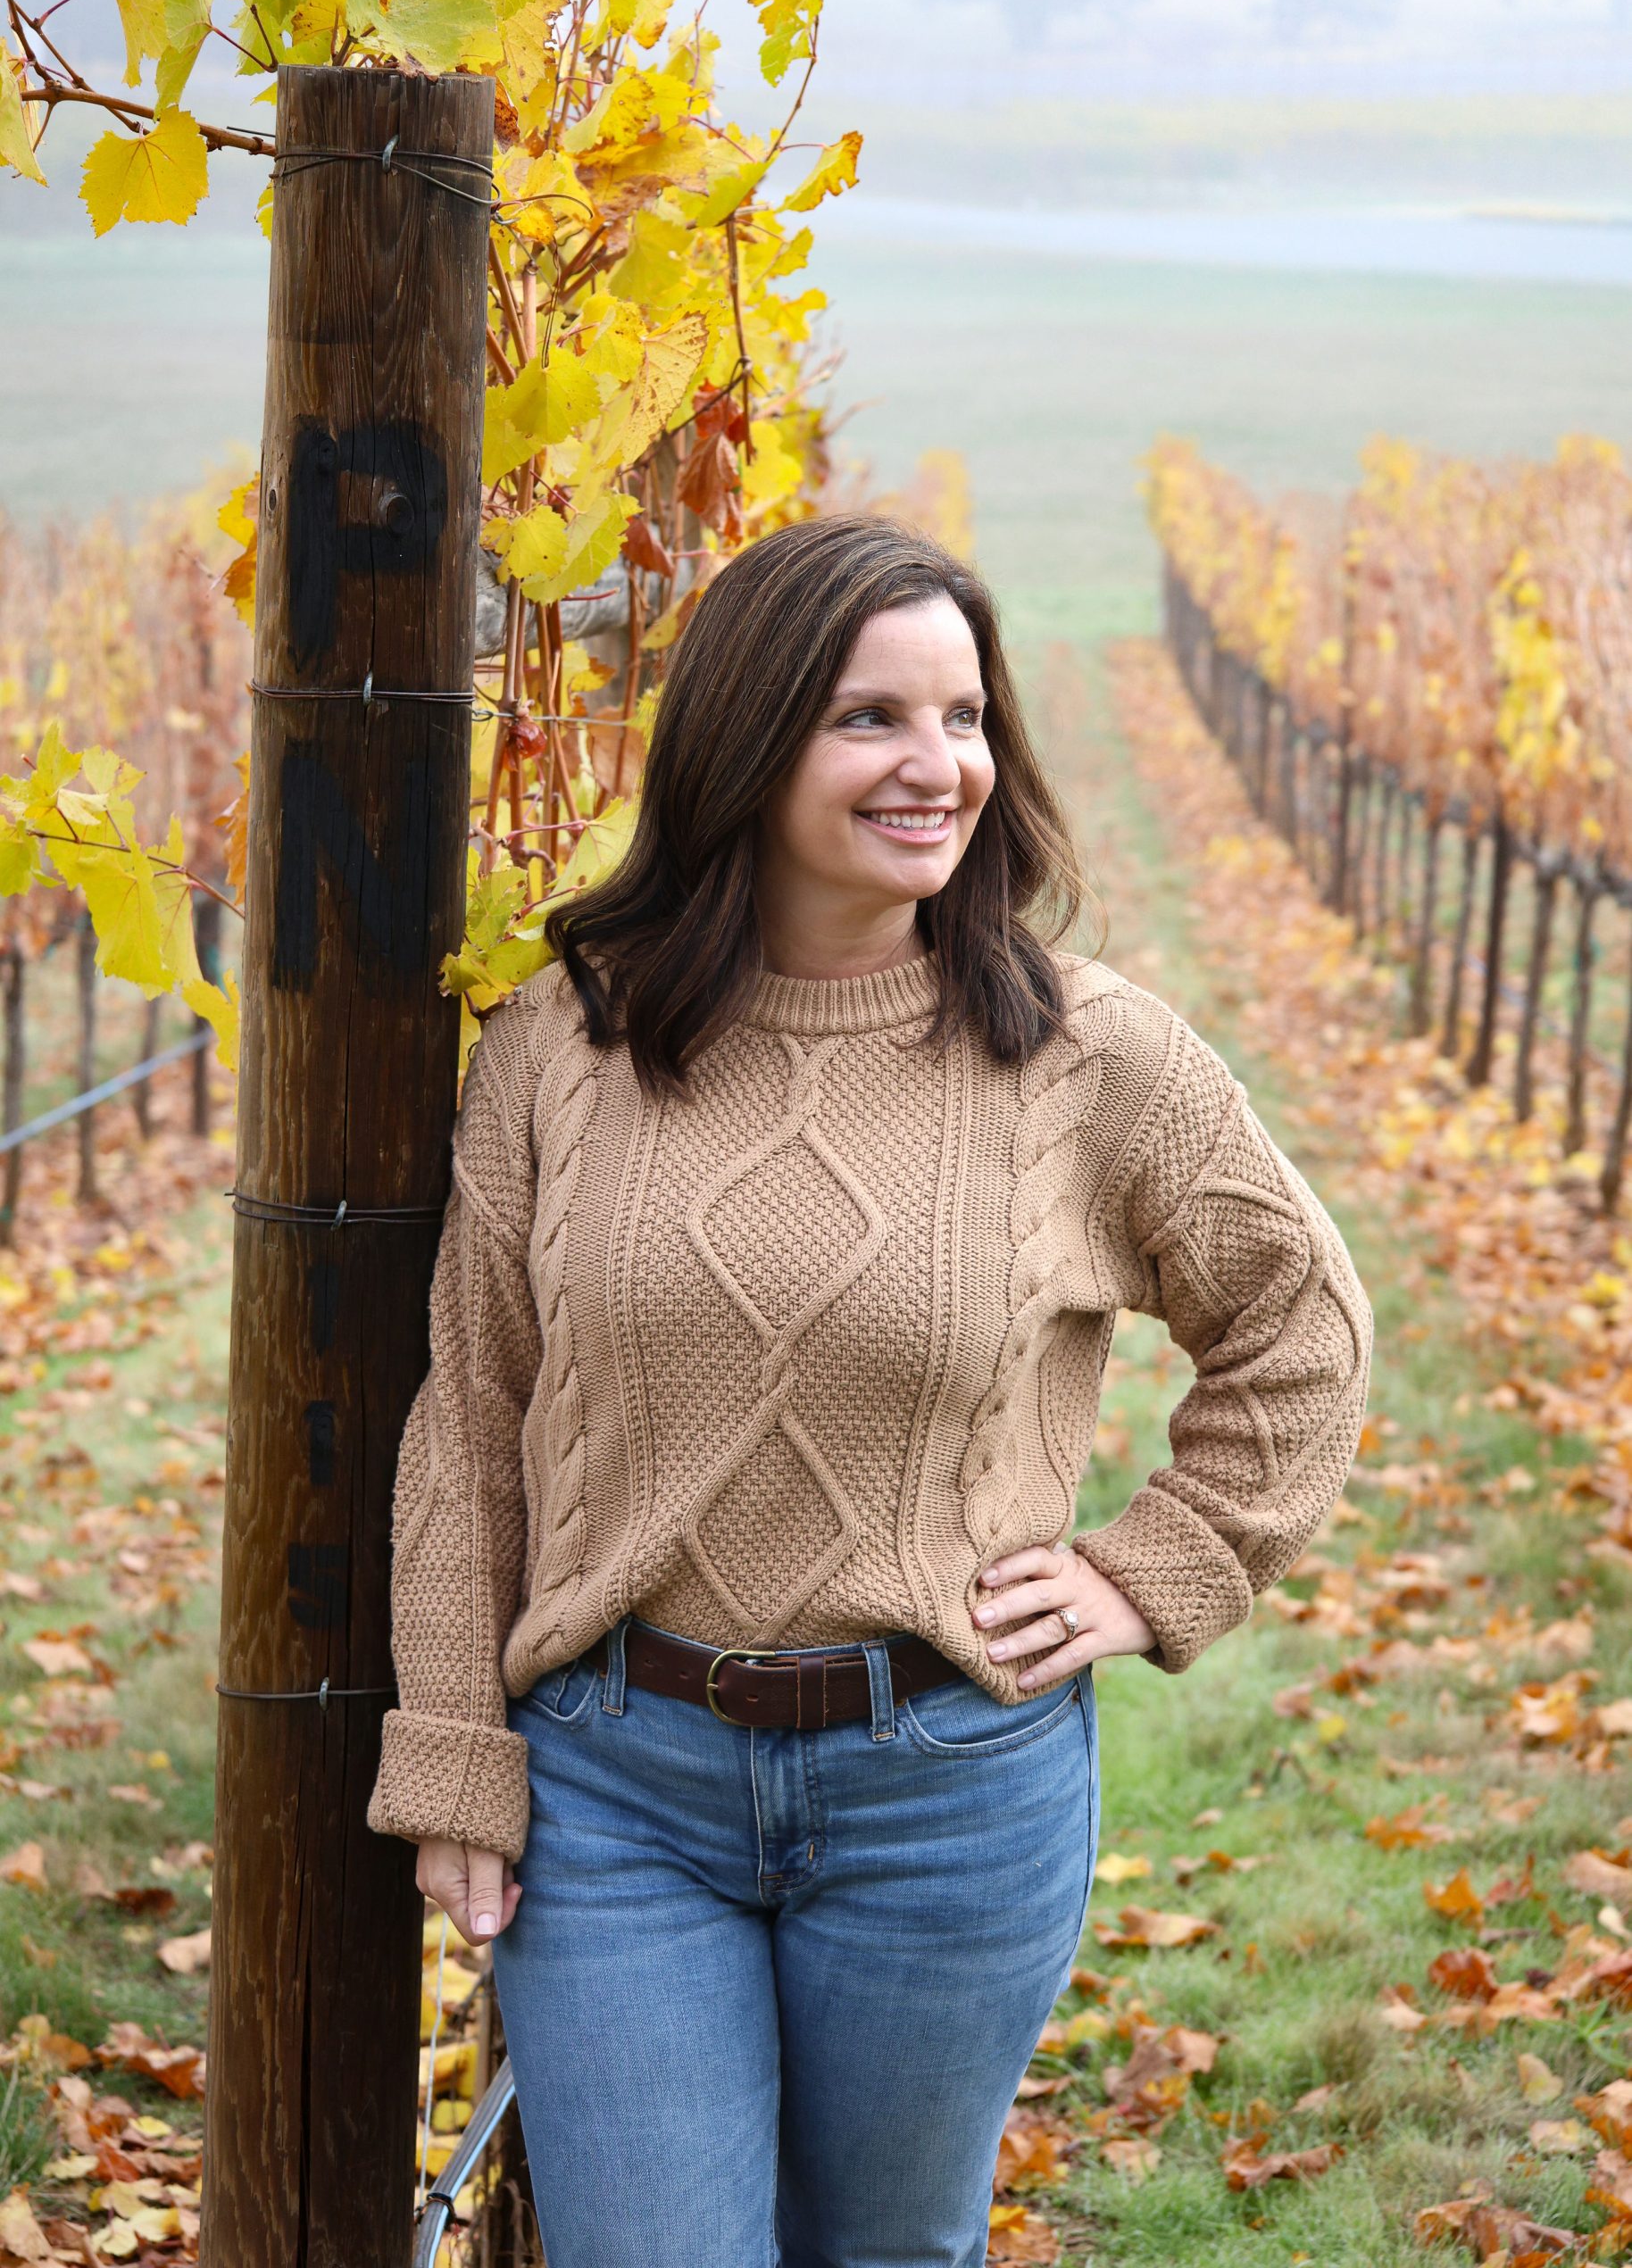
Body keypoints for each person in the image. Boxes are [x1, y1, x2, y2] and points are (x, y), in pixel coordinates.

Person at [368, 513, 1371, 2268]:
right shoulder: (562, 1047)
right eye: (871, 718)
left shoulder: (1087, 1055)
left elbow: (1301, 1322)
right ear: (746, 742)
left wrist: (1159, 1566)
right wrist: (454, 1742)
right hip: (617, 1785)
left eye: (964, 716)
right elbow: (470, 1418)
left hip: (949, 1789)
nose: (939, 764)